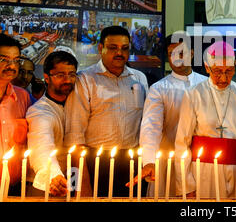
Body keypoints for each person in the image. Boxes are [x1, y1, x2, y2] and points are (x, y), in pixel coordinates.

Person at [64, 26, 148, 197]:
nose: (119, 53)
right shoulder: (85, 79)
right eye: (113, 48)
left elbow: (145, 122)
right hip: (95, 161)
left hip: (132, 160)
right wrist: (83, 184)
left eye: (124, 48)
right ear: (100, 48)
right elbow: (75, 133)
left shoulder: (139, 78)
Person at [174, 41, 236, 198]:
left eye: (229, 71)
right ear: (207, 68)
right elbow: (182, 143)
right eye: (217, 71)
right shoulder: (193, 94)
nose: (224, 78)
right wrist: (186, 185)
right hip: (203, 172)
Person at [130, 34, 207, 196]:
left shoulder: (207, 84)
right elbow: (151, 128)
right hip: (170, 163)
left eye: (181, 53)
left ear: (192, 53)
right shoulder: (159, 89)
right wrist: (149, 161)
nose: (177, 58)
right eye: (172, 54)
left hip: (204, 163)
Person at [26, 51, 90, 197]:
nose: (67, 80)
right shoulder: (40, 111)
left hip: (71, 185)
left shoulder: (78, 105)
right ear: (47, 78)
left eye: (72, 74)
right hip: (45, 187)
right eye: (60, 75)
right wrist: (53, 174)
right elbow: (41, 144)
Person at [0, 34, 31, 194]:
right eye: (3, 60)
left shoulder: (22, 96)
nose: (11, 66)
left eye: (16, 60)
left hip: (14, 186)